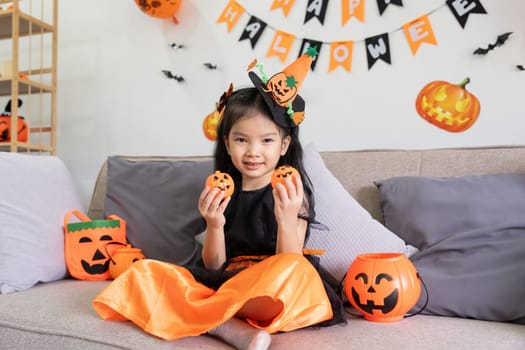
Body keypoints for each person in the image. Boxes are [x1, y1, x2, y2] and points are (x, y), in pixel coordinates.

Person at [92, 48, 345, 350]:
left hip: (272, 289)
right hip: (229, 283)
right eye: (241, 140)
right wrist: (214, 224)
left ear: (284, 145)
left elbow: (288, 265)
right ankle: (229, 327)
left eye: (266, 140)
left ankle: (209, 316)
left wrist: (287, 218)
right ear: (227, 144)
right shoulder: (223, 192)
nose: (253, 151)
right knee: (143, 272)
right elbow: (214, 267)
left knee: (298, 271)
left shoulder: (292, 191)